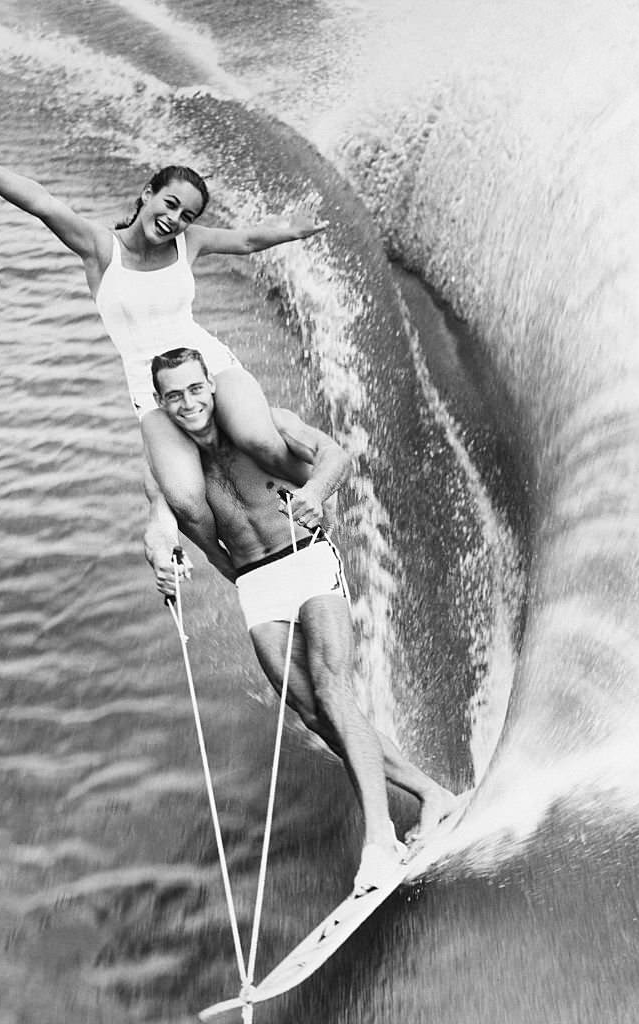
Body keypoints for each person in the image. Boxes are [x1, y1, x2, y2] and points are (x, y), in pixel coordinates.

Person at [0, 107, 324, 563]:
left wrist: (293, 232)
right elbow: (42, 201)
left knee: (259, 440)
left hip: (209, 363)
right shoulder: (100, 248)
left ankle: (318, 494)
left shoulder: (191, 242)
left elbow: (245, 241)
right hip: (150, 388)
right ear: (148, 195)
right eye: (169, 204)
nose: (174, 219)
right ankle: (238, 568)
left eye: (186, 215)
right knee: (185, 500)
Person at [144, 347, 459, 891]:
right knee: (313, 714)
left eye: (196, 388)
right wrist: (162, 563)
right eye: (174, 395)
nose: (188, 402)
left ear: (211, 386)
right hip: (256, 585)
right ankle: (433, 794)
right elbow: (159, 526)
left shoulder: (262, 425)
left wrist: (315, 491)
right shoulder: (168, 466)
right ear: (160, 402)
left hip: (308, 558)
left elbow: (333, 453)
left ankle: (379, 838)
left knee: (334, 689)